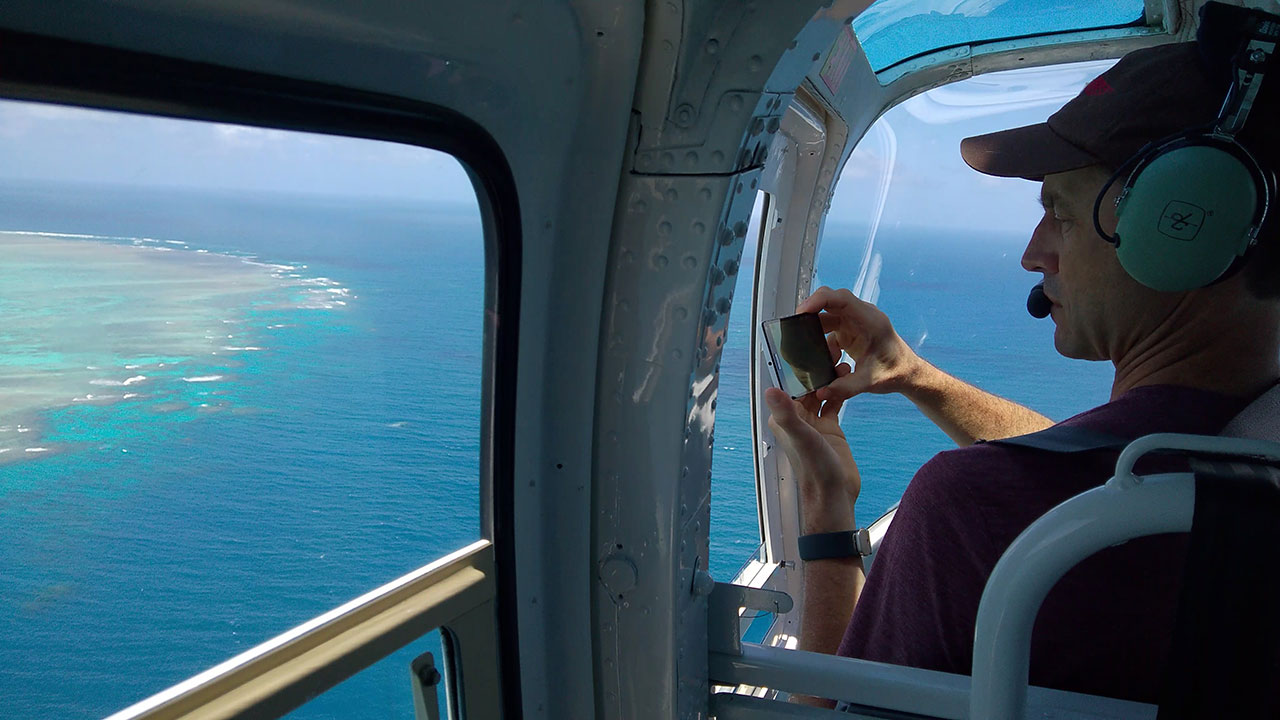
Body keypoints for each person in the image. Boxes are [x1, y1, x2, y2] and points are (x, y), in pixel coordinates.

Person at [766, 29, 1280, 707]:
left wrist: (825, 515)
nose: (1033, 254)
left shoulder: (972, 512)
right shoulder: (1241, 449)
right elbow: (1087, 469)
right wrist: (919, 376)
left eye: (1059, 213)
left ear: (1186, 225)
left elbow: (830, 710)